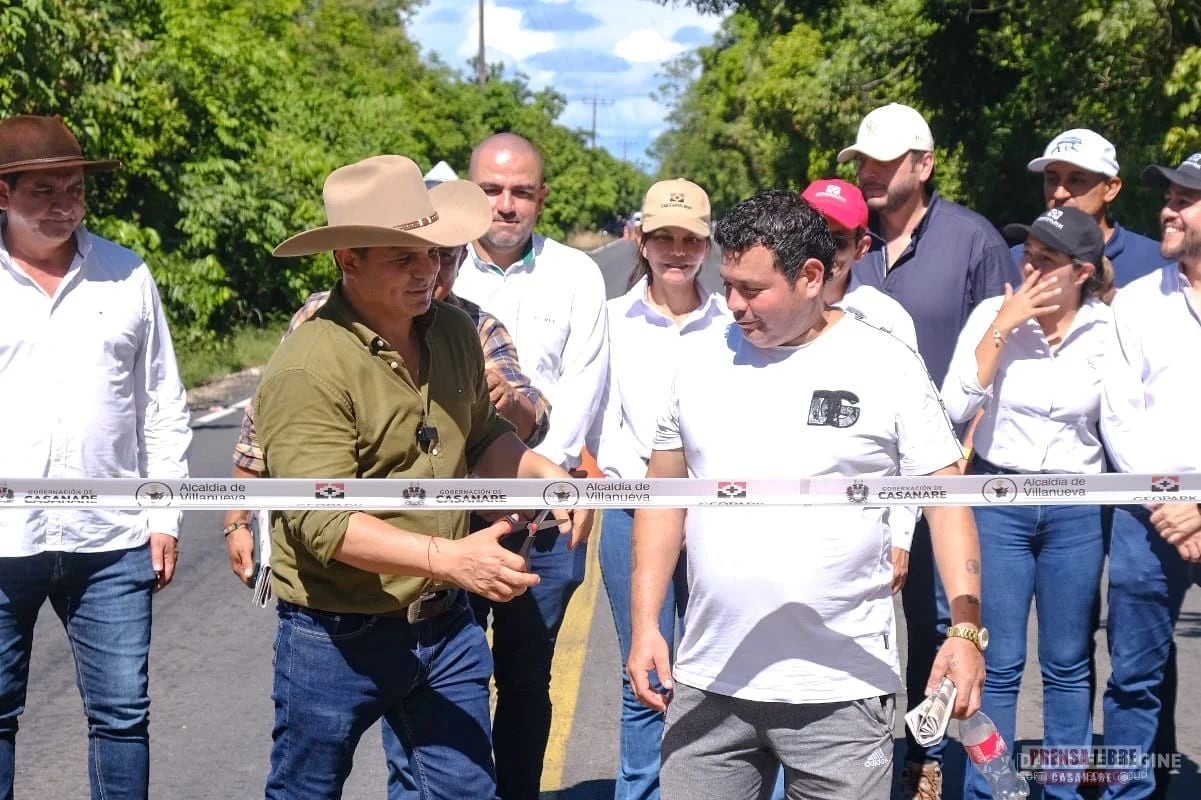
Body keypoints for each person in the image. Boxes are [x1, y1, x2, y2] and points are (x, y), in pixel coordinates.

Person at [626, 190, 986, 800]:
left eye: (753, 289)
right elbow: (664, 498)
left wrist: (966, 629)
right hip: (711, 683)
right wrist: (645, 625)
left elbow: (946, 500)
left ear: (811, 276)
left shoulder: (887, 363)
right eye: (729, 283)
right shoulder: (697, 360)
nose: (733, 305)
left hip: (840, 694)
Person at [253, 154, 589, 799]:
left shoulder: (457, 331)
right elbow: (321, 521)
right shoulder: (309, 368)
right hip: (337, 633)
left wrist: (545, 473)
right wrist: (451, 558)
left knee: (467, 791)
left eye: (433, 253)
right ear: (348, 259)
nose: (427, 270)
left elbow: (484, 436)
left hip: (444, 625)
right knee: (306, 790)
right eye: (403, 257)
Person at [0, 114, 192, 799]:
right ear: (3, 194)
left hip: (110, 540)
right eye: (43, 190)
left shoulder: (126, 273)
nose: (63, 204)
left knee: (122, 716)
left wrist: (164, 515)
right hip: (2, 542)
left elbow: (162, 401)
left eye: (74, 187)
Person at [838, 102, 1020, 799]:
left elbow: (1001, 348)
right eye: (863, 163)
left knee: (941, 620)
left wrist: (964, 457)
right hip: (859, 473)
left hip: (943, 469)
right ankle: (866, 757)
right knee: (866, 616)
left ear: (925, 163)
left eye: (885, 162)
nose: (872, 174)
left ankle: (931, 758)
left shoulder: (973, 242)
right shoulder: (847, 240)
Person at [454, 132, 609, 799]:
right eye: (491, 190)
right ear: (470, 193)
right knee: (440, 678)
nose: (506, 205)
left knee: (525, 678)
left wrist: (533, 484)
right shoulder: (434, 267)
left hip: (544, 519)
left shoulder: (577, 274)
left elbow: (584, 387)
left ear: (542, 197)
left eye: (521, 191)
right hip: (449, 517)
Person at [941, 207, 1115, 800]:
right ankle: (993, 789)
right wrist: (1003, 326)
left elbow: (1124, 424)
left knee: (1068, 664)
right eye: (1027, 254)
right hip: (1000, 502)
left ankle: (1063, 791)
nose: (1030, 266)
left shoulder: (1109, 328)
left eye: (1046, 260)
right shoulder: (996, 313)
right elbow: (954, 406)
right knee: (1000, 661)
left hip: (1077, 510)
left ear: (1082, 272)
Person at [588, 178, 728, 800]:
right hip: (630, 513)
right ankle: (641, 789)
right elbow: (588, 417)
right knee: (644, 670)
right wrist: (597, 487)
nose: (676, 250)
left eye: (689, 239)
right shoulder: (610, 320)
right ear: (640, 240)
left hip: (711, 521)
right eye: (663, 237)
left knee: (715, 671)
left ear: (707, 245)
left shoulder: (731, 323)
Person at [1100, 152, 1201, 800]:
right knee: (1134, 680)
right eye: (1167, 195)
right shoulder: (1134, 303)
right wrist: (1169, 502)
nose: (1166, 208)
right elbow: (1118, 414)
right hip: (1148, 515)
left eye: (1184, 199)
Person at [1017, 129, 1165, 289]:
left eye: (1077, 180)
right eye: (1052, 180)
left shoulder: (1156, 262)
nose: (1059, 193)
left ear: (1110, 189)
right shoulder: (1017, 260)